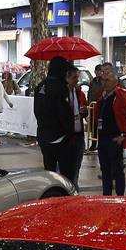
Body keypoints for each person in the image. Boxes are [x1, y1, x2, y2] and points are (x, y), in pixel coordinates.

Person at [89, 64, 126, 196]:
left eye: (107, 80)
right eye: (102, 80)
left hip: (114, 139)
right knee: (105, 170)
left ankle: (120, 197)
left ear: (115, 80)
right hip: (103, 138)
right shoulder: (102, 96)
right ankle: (106, 196)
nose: (104, 83)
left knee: (117, 170)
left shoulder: (121, 95)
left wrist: (123, 134)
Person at [33, 57, 79, 190]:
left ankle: (50, 197)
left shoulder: (40, 86)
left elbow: (36, 111)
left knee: (49, 173)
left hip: (43, 135)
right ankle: (65, 201)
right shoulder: (60, 88)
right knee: (66, 176)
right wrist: (70, 133)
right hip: (59, 138)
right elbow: (63, 115)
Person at [65, 64, 88, 182]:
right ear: (67, 78)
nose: (77, 80)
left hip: (78, 134)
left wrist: (84, 111)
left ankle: (74, 187)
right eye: (74, 77)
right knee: (66, 167)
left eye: (77, 77)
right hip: (67, 135)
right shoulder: (62, 94)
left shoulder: (80, 93)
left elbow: (86, 111)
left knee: (76, 166)